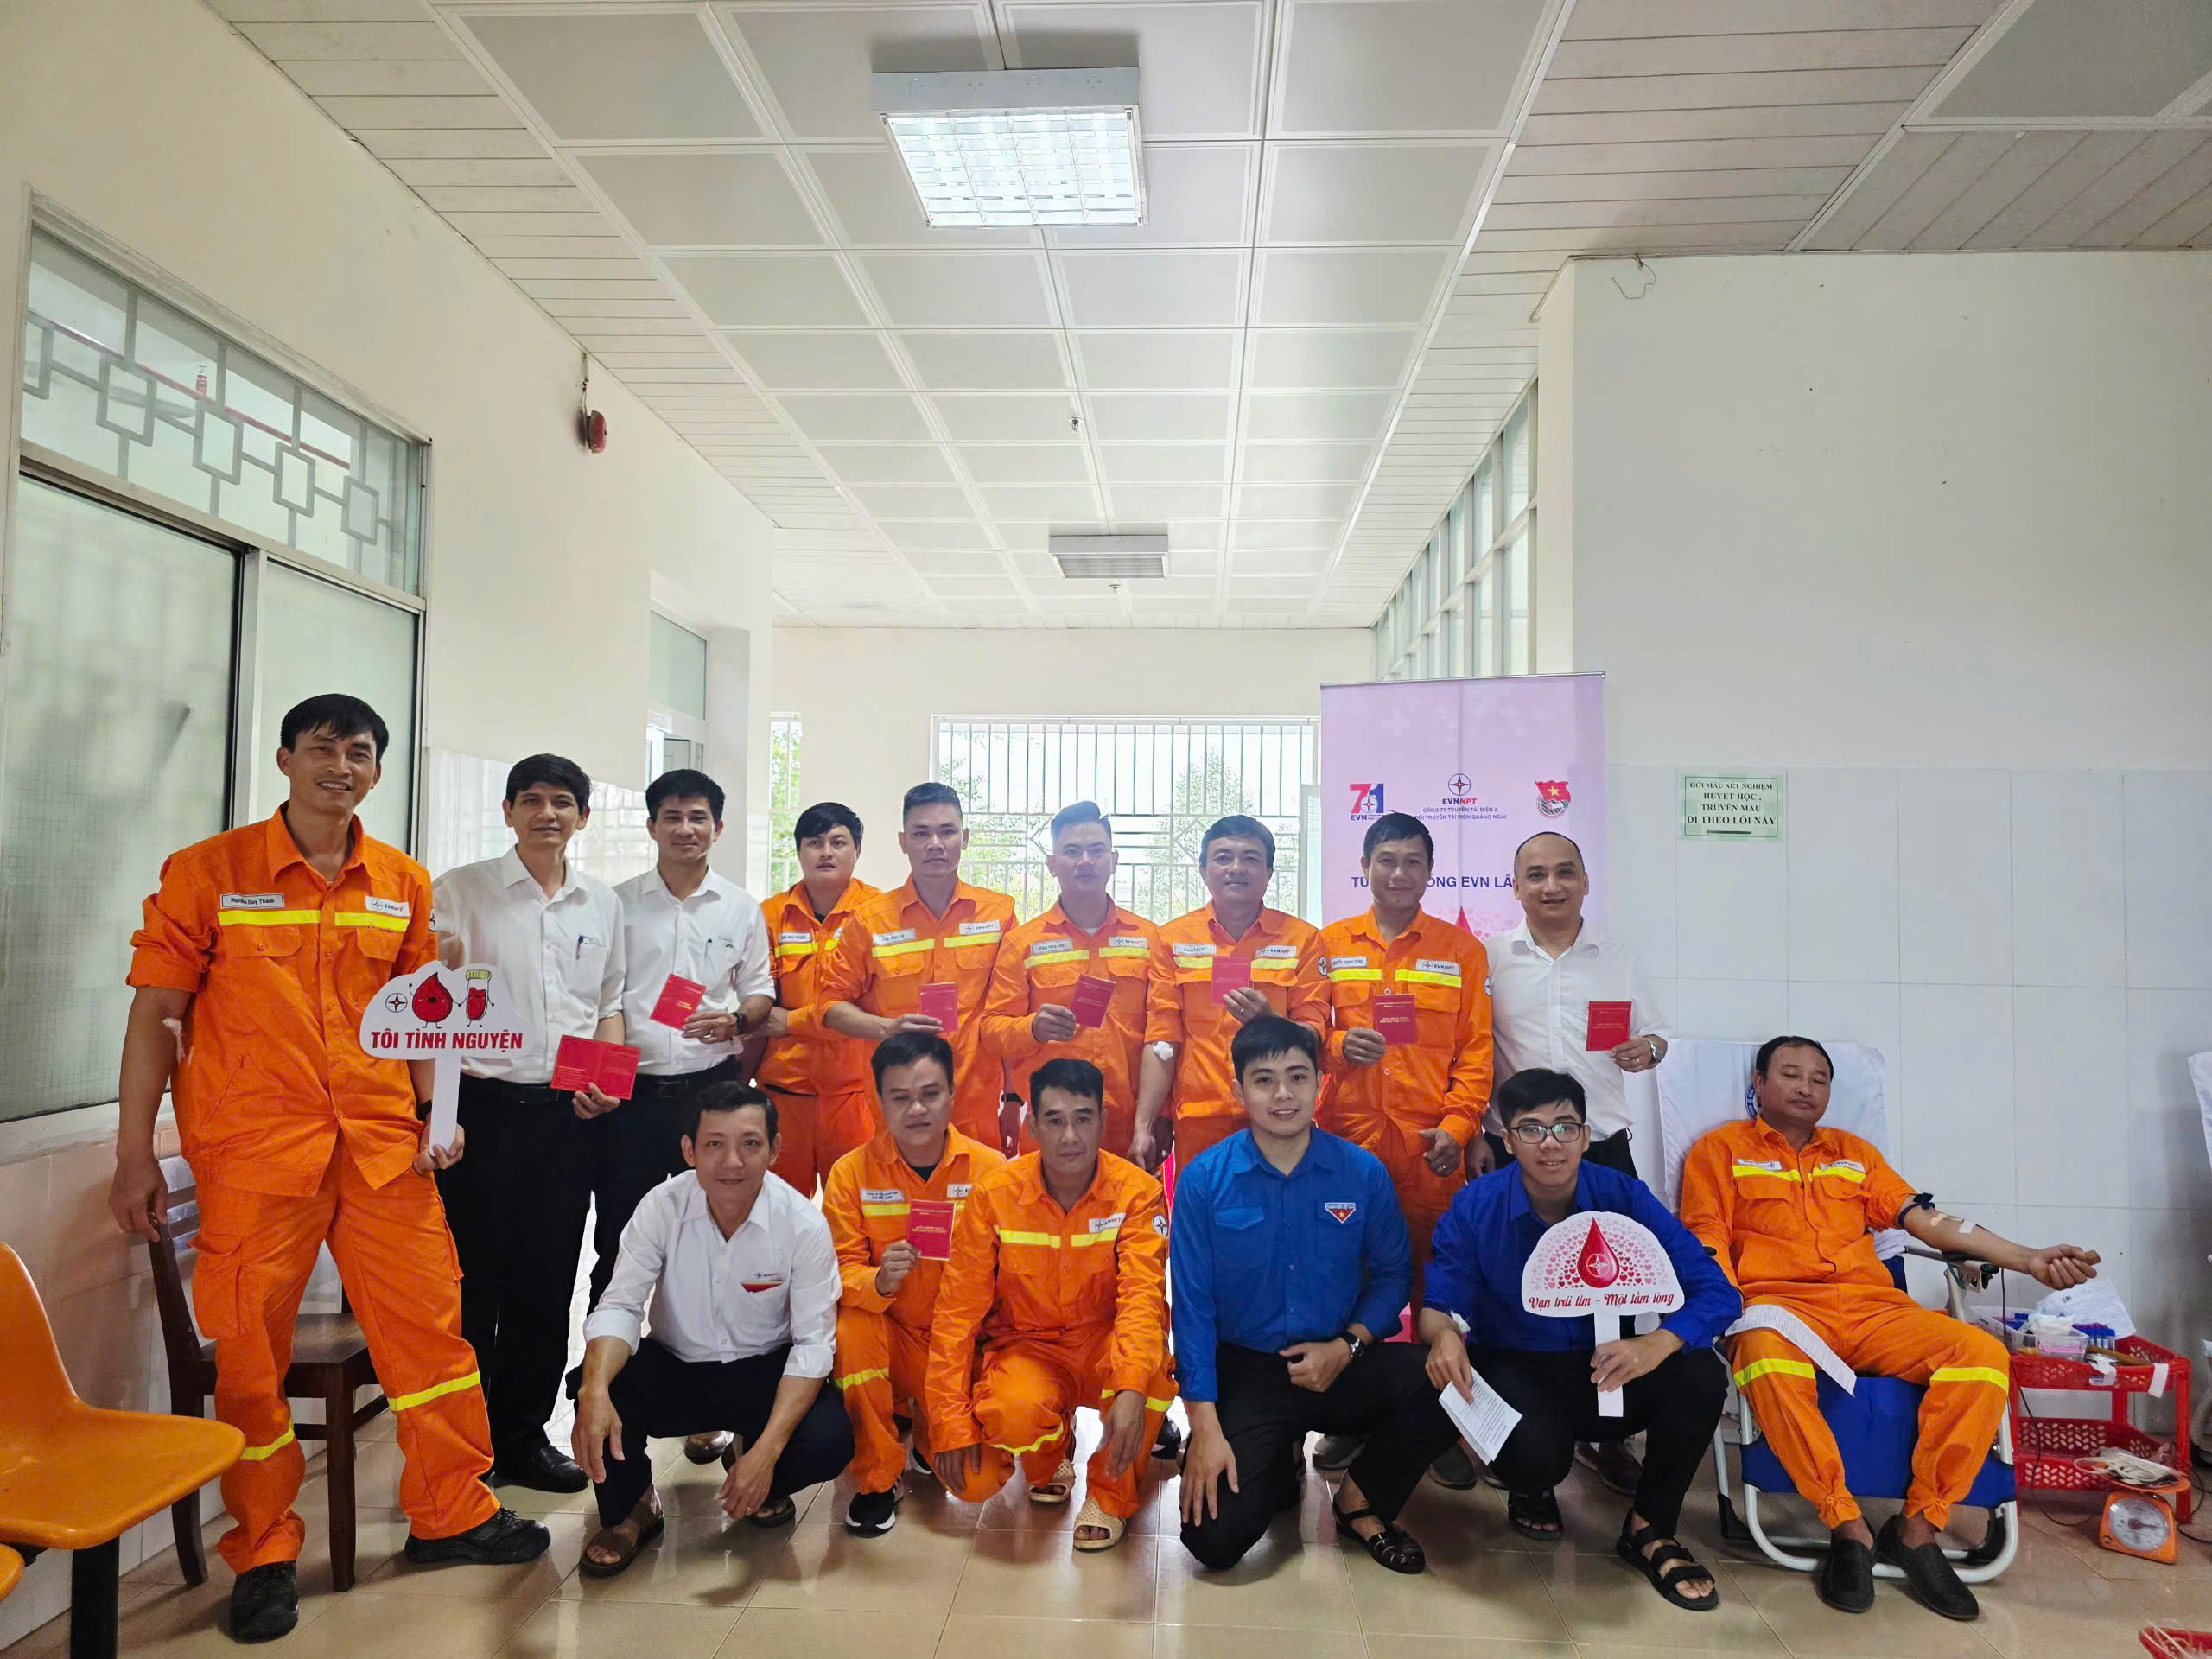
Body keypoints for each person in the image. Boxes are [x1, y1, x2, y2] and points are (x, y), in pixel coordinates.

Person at [110, 695, 547, 1643]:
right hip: (254, 1155)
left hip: (382, 1148)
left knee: (430, 1333)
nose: (339, 766)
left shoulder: (401, 881)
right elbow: (156, 1016)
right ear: (285, 759)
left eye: (358, 752)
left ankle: (451, 1511)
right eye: (321, 748)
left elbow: (424, 1015)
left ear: (377, 772)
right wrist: (133, 1151)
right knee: (250, 1358)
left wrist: (436, 1114)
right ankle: (264, 1549)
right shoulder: (208, 872)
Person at [1680, 1036, 2101, 1622]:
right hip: (1781, 1310)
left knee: (1981, 1356)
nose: (1806, 1087)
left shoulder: (1855, 1154)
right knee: (1763, 1356)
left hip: (1874, 1309)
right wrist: (1728, 1310)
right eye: (1791, 1074)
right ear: (1758, 1084)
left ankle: (1919, 1528)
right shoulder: (1719, 1151)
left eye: (1820, 1079)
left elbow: (1927, 1220)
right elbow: (1705, 1236)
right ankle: (1846, 1524)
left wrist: (2027, 1259)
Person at [1420, 1069, 1738, 1610]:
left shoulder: (1622, 1195)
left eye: (1565, 1127)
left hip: (1606, 1366)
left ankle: (1650, 1528)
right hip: (1515, 1366)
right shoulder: (1477, 1206)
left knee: (1701, 1372)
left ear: (1587, 1136)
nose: (1551, 1144)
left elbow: (1717, 1292)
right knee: (1536, 1458)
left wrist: (1658, 1342)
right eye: (1532, 1129)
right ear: (1508, 1139)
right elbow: (1439, 1306)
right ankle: (1531, 1483)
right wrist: (1444, 1336)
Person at [1172, 1017, 1459, 1575]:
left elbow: (1393, 1275)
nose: (1283, 1094)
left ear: (1320, 1085)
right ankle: (1279, 1457)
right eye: (1264, 1080)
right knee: (1214, 1541)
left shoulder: (1361, 1172)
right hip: (1250, 1370)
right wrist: (1203, 1427)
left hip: (1341, 1357)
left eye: (1297, 1077)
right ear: (1238, 1090)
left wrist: (1347, 1346)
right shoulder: (1204, 1180)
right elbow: (1192, 1309)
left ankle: (1359, 1502)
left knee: (1448, 1385)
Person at [430, 753, 626, 1493]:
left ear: (583, 816)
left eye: (563, 802)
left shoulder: (599, 903)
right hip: (480, 1114)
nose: (549, 814)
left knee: (548, 1281)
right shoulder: (460, 892)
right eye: (534, 800)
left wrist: (606, 1087)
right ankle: (466, 1447)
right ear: (509, 811)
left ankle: (522, 1436)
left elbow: (608, 1003)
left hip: (566, 1117)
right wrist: (439, 1113)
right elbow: (430, 1004)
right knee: (475, 1283)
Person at [571, 1084, 853, 1577]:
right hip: (676, 1368)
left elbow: (813, 1344)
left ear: (774, 1149)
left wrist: (767, 1452)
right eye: (714, 1144)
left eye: (750, 1143)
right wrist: (594, 1389)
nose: (732, 1162)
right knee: (597, 1387)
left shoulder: (803, 1224)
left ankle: (752, 1464)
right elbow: (620, 1305)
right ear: (689, 1150)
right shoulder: (661, 1207)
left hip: (763, 1373)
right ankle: (633, 1506)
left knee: (829, 1440)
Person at [925, 1058, 1177, 1552]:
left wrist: (1129, 1386)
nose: (1070, 1137)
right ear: (1032, 1126)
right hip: (1029, 1346)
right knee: (984, 1460)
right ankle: (1049, 1458)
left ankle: (1109, 1495)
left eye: (1083, 1119)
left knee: (1147, 1380)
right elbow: (957, 1313)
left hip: (1105, 1343)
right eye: (1055, 1121)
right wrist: (949, 1423)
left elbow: (1142, 1299)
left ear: (1103, 1121)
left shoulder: (1138, 1193)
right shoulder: (995, 1195)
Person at [1484, 830, 1669, 1497]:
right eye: (1535, 875)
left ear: (1586, 881)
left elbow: (1656, 1035)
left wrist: (1648, 1049)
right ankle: (1509, 1432)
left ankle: (1606, 1433)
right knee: (1507, 1289)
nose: (1551, 886)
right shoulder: (1490, 959)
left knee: (1610, 1293)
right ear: (1515, 887)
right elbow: (1470, 1047)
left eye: (1565, 872)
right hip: (1515, 1146)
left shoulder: (1619, 959)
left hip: (1602, 1145)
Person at [1313, 810, 1494, 1486]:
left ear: (1430, 871)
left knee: (1431, 1289)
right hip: (1345, 1143)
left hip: (1429, 1148)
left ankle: (1431, 1425)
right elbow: (1306, 1032)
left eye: (1412, 861)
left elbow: (1476, 1053)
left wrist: (1458, 1128)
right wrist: (1337, 1044)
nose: (1398, 873)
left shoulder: (1461, 951)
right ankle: (1346, 1417)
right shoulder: (1329, 944)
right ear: (1364, 866)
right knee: (1344, 1282)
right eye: (1386, 860)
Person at [608, 767, 774, 1467]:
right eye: (672, 816)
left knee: (723, 1244)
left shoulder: (740, 908)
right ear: (651, 826)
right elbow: (601, 1000)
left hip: (713, 1092)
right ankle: (618, 1419)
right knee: (624, 1247)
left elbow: (760, 993)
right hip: (631, 1096)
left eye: (698, 817)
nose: (685, 828)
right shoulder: (615, 905)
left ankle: (720, 1405)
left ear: (718, 827)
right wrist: (602, 1086)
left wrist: (735, 1019)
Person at [823, 1030, 1005, 1536]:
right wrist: (878, 1280)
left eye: (930, 1094)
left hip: (965, 1344)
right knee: (851, 1327)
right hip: (894, 1338)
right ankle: (877, 1477)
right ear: (879, 1101)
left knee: (978, 1481)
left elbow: (1013, 1278)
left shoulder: (992, 1171)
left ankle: (927, 1433)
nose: (917, 1109)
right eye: (900, 1097)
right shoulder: (851, 1174)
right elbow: (836, 1270)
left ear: (952, 1093)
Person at [821, 783, 1018, 1150]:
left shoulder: (999, 915)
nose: (935, 844)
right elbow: (829, 1005)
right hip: (899, 1110)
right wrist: (886, 1028)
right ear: (903, 841)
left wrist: (1013, 1097)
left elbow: (1008, 1015)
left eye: (947, 831)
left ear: (965, 838)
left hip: (974, 1105)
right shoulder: (870, 922)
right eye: (921, 833)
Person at [1131, 816, 1326, 1176]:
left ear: (1268, 872)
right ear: (1203, 870)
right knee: (1204, 1208)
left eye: (1250, 858)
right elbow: (1162, 1039)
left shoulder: (1303, 940)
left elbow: (1314, 1034)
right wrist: (1145, 1123)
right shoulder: (1172, 940)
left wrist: (1271, 1023)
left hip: (1279, 1115)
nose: (1236, 868)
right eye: (1223, 858)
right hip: (1199, 1118)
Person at [982, 801, 1161, 1160]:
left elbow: (1163, 1035)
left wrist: (1160, 1115)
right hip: (1051, 1125)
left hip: (1129, 1127)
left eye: (1097, 851)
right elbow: (991, 1029)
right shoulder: (1023, 943)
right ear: (1052, 864)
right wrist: (1033, 1028)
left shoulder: (1150, 939)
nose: (1086, 861)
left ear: (1114, 860)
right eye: (1072, 851)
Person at [757, 802, 880, 1196]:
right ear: (799, 851)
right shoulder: (770, 915)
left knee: (857, 1210)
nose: (826, 852)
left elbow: (873, 1009)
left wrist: (793, 1021)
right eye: (814, 842)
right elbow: (760, 1005)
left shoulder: (880, 914)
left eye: (838, 842)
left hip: (856, 1095)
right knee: (777, 1211)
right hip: (784, 1093)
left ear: (857, 850)